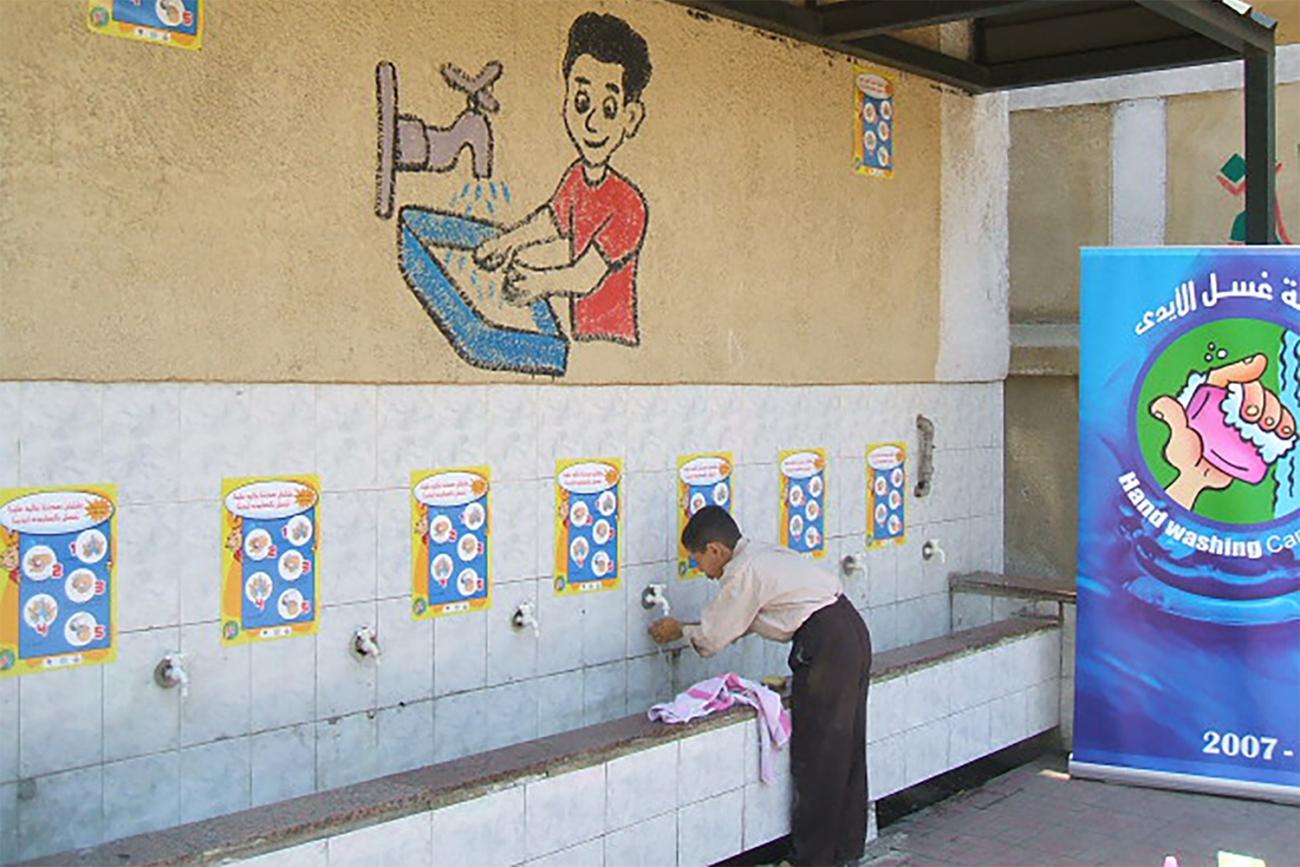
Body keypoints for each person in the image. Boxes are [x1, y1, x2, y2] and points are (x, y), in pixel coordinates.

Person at [650, 506, 873, 867]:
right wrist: (693, 628)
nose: (699, 570)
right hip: (850, 631)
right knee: (846, 746)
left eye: (698, 560)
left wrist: (679, 630)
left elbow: (713, 637)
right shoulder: (760, 554)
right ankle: (844, 848)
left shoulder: (742, 572)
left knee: (817, 755)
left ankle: (811, 860)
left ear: (716, 550)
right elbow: (737, 621)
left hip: (827, 645)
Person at [475, 11, 651, 346]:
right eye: (582, 102)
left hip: (611, 342)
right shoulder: (576, 177)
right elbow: (551, 221)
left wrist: (537, 283)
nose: (593, 123)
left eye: (610, 109)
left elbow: (586, 277)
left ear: (630, 118)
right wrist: (505, 242)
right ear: (567, 99)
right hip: (581, 335)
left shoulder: (630, 205)